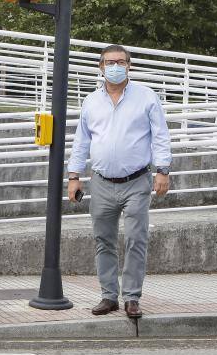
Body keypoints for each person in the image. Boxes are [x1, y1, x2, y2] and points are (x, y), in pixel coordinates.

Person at [68, 44, 172, 319]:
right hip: (101, 181)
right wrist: (74, 177)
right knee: (104, 240)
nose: (115, 66)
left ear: (129, 65)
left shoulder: (146, 97)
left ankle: (132, 298)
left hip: (136, 181)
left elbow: (160, 135)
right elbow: (81, 141)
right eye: (109, 62)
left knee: (137, 239)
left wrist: (163, 170)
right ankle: (108, 296)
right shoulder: (91, 101)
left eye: (120, 62)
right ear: (101, 67)